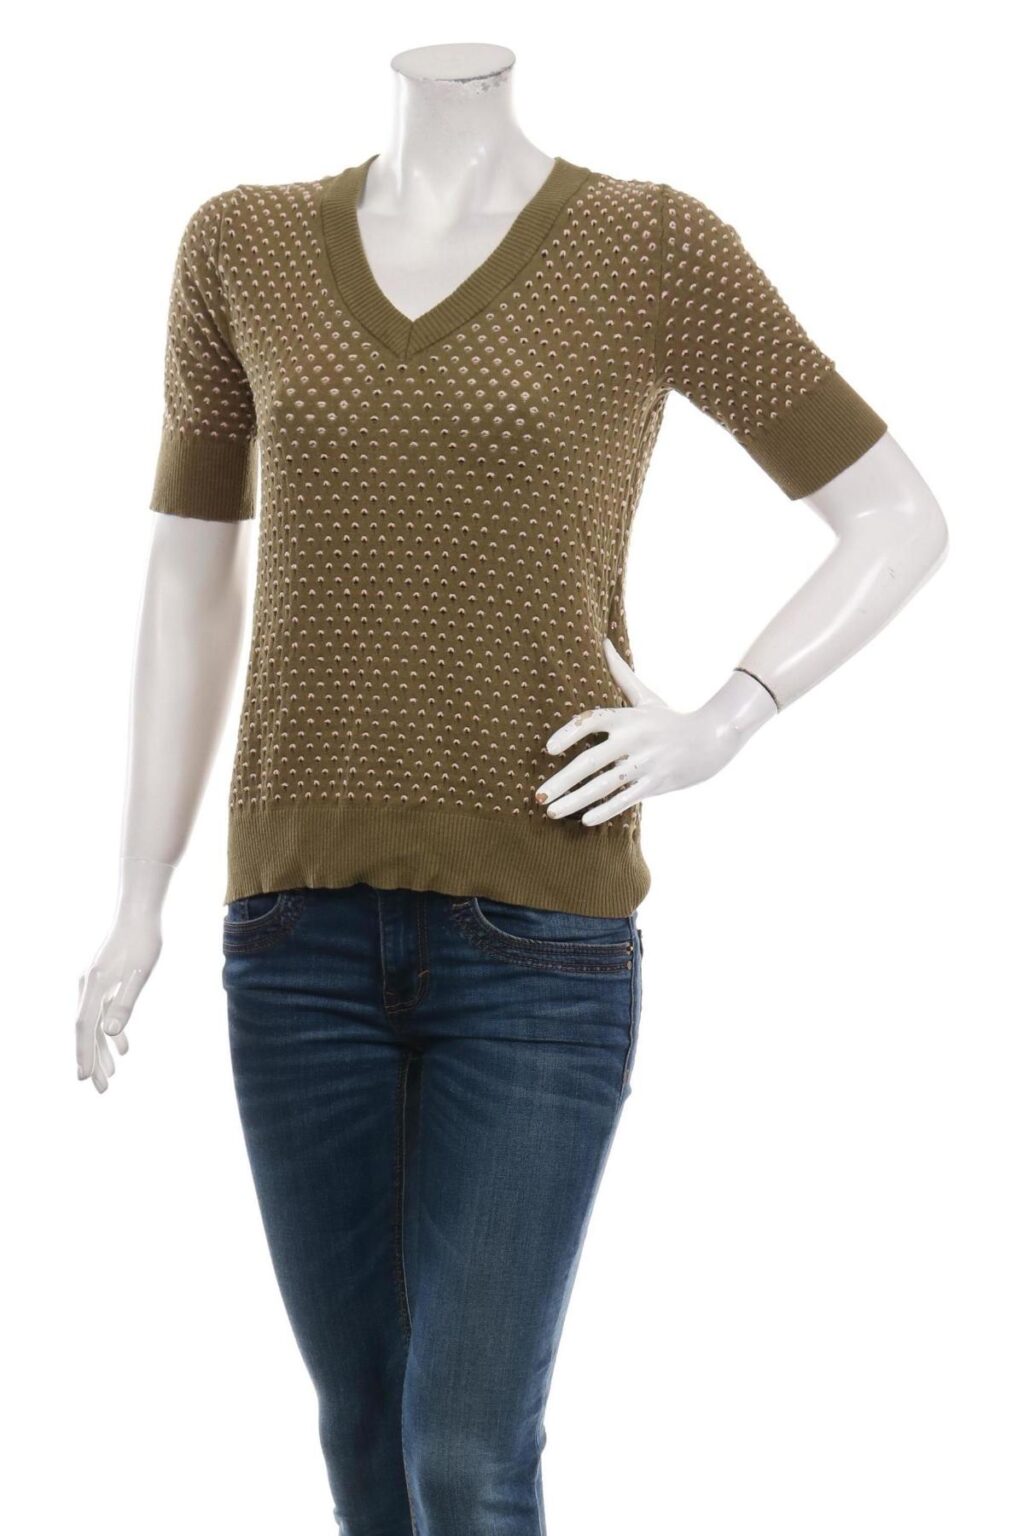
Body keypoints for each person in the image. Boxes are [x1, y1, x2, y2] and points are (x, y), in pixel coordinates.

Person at [75, 39, 948, 1536]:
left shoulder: (649, 245)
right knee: (365, 1436)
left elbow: (896, 516)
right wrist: (136, 900)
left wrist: (725, 720)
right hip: (293, 935)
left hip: (540, 936)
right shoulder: (239, 245)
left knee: (470, 1450)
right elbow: (188, 577)